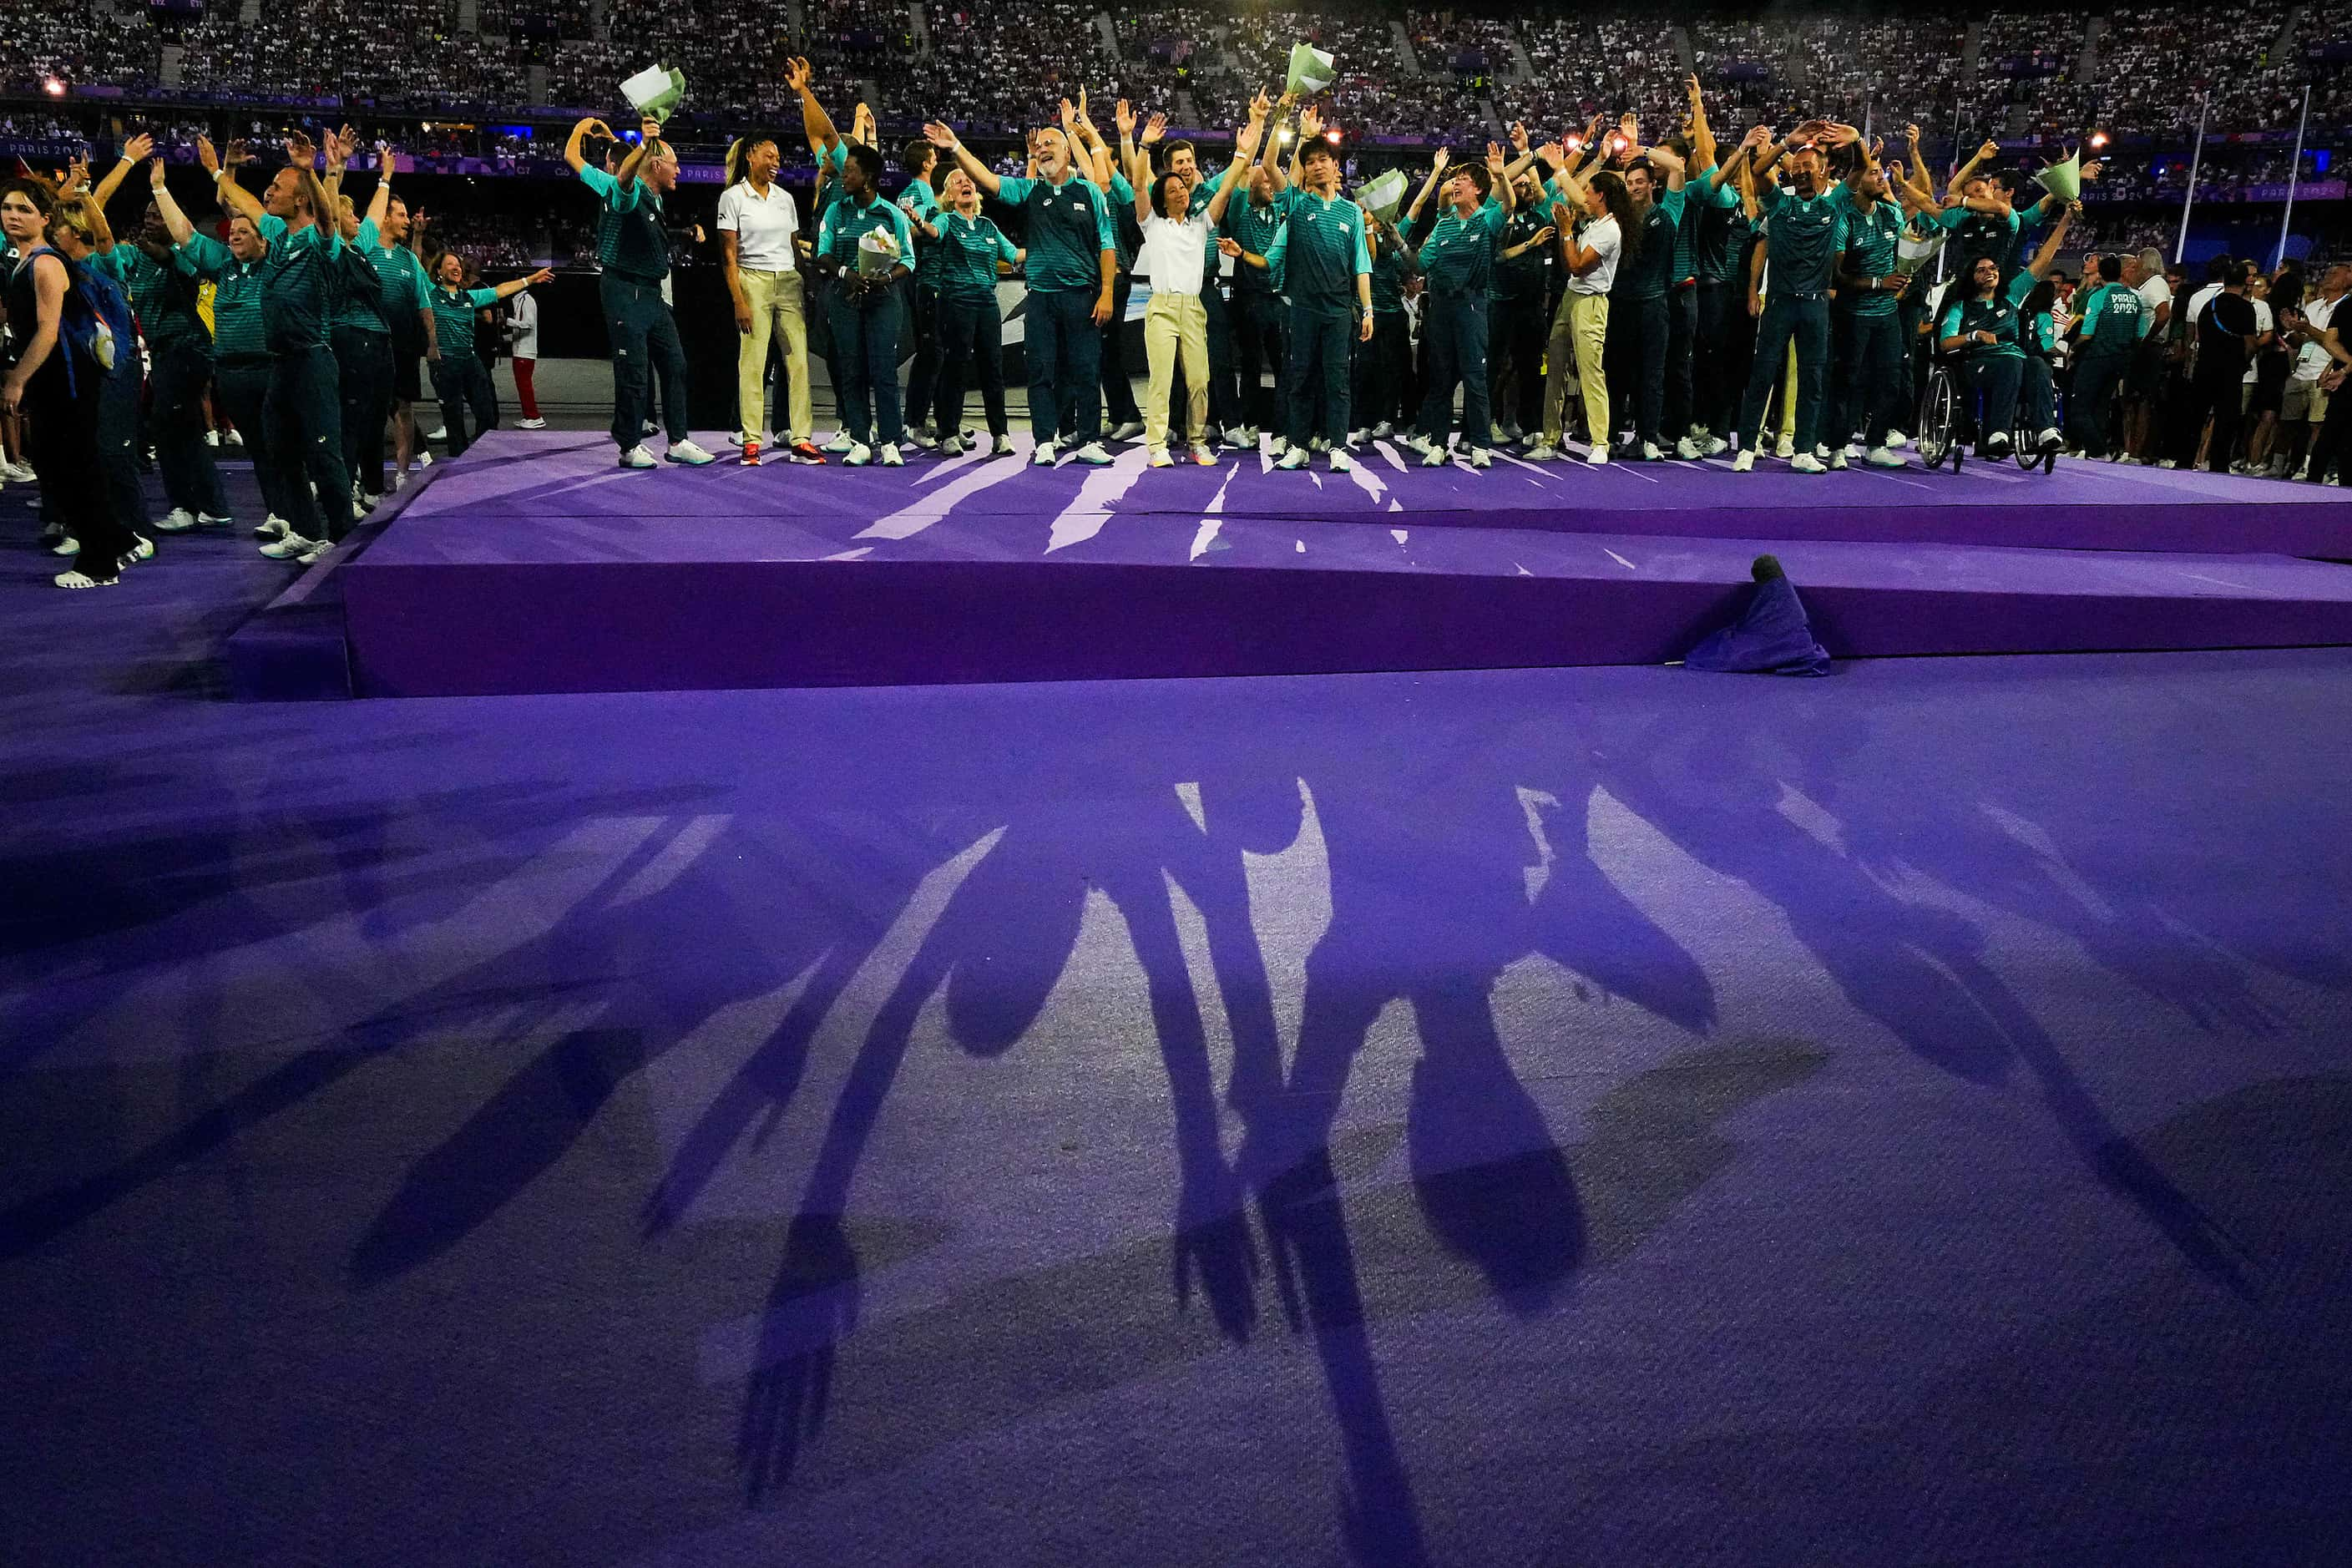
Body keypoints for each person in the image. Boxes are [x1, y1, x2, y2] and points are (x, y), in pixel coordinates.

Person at [195, 131, 354, 557]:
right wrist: (217, 169)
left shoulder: (321, 242)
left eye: (278, 187)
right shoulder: (277, 234)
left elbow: (328, 218)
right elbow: (241, 200)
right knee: (278, 450)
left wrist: (309, 171)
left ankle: (340, 540)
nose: (269, 191)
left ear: (299, 199)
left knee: (324, 457)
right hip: (279, 364)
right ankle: (305, 530)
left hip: (312, 361)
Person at [926, 118, 1117, 466]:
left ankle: (1089, 440)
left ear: (1067, 151)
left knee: (1086, 369)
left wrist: (1107, 293)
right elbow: (989, 179)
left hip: (1082, 295)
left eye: (1050, 144)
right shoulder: (1031, 191)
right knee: (1041, 371)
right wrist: (955, 147)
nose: (1043, 150)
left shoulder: (1089, 192)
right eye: (1039, 146)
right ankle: (1044, 440)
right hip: (1041, 297)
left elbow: (1106, 245)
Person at [84, 137, 234, 534]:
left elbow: (167, 255)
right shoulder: (132, 257)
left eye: (159, 215)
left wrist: (149, 233)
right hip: (165, 351)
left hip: (189, 348)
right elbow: (105, 248)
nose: (152, 220)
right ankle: (211, 505)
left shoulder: (182, 258)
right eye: (147, 215)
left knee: (167, 426)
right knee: (183, 429)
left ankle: (185, 504)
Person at [1, 177, 137, 588]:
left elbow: (46, 331)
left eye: (24, 209)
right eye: (7, 207)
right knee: (60, 466)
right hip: (54, 379)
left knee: (72, 470)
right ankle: (116, 540)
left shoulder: (44, 263)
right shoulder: (23, 262)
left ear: (45, 218)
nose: (13, 216)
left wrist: (16, 381)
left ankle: (99, 565)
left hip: (66, 381)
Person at [566, 114, 712, 469]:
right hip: (624, 289)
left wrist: (605, 137)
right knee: (633, 372)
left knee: (675, 365)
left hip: (651, 293)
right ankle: (630, 446)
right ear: (658, 164)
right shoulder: (623, 191)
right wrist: (643, 143)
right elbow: (626, 176)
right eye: (675, 165)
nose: (680, 171)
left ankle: (678, 441)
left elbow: (577, 158)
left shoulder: (651, 191)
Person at [1122, 100, 1252, 466]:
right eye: (1174, 189)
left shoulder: (1201, 226)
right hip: (1162, 307)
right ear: (1164, 197)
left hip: (1194, 308)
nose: (1182, 191)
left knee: (1199, 379)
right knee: (1161, 380)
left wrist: (1243, 153)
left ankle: (1197, 442)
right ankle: (1157, 446)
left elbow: (1225, 191)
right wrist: (1143, 145)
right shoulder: (1152, 223)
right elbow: (1137, 184)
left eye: (1185, 187)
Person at [1731, 122, 1860, 473]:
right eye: (1797, 165)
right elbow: (1758, 170)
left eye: (1809, 166)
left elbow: (1860, 169)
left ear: (1823, 170)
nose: (1802, 171)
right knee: (1763, 374)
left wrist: (1857, 141)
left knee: (1813, 378)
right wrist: (1788, 142)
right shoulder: (1778, 204)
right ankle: (1745, 447)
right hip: (1780, 302)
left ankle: (1803, 449)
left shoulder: (1833, 205)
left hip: (1816, 304)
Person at [1264, 120, 1372, 472]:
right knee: (1301, 377)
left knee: (1338, 380)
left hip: (1340, 309)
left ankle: (1338, 446)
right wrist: (1290, 127)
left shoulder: (1352, 212)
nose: (1317, 165)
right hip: (1304, 308)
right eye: (1310, 161)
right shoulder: (1295, 204)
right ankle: (1297, 445)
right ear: (1305, 169)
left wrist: (1367, 310)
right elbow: (1268, 167)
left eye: (1324, 159)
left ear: (1336, 166)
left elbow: (1361, 265)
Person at [1935, 202, 2077, 458]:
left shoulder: (2010, 296)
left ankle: (2046, 429)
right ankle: (1998, 432)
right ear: (1972, 278)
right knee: (2013, 362)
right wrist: (1974, 336)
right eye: (1982, 270)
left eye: (1993, 269)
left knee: (2037, 363)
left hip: (2016, 364)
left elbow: (2043, 259)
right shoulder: (1960, 307)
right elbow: (1946, 343)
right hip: (1979, 366)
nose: (1990, 272)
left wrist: (2066, 219)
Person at [1406, 143, 1515, 468]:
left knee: (1475, 378)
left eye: (1463, 179)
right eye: (1455, 179)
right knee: (1439, 379)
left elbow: (1508, 205)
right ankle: (1439, 443)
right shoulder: (1444, 224)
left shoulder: (1486, 220)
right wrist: (1398, 246)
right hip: (1440, 308)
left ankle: (1480, 444)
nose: (1456, 183)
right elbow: (1421, 265)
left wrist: (1500, 175)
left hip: (1471, 306)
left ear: (1478, 189)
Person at [718, 128, 819, 464]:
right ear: (750, 156)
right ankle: (751, 441)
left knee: (799, 363)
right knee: (753, 364)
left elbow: (793, 245)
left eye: (778, 158)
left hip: (788, 281)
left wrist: (806, 284)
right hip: (753, 281)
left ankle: (802, 438)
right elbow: (729, 255)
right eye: (769, 156)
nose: (776, 162)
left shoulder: (785, 199)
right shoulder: (733, 198)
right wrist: (739, 301)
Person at [815, 141, 918, 466]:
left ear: (869, 176)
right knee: (851, 369)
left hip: (884, 300)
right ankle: (860, 439)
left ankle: (890, 442)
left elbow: (909, 261)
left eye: (850, 171)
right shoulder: (836, 210)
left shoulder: (892, 215)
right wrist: (847, 274)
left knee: (883, 370)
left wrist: (884, 279)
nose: (844, 176)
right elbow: (823, 253)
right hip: (845, 299)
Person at [1535, 139, 1628, 464]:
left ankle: (1600, 441)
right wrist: (1559, 169)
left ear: (1601, 196)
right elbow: (1574, 196)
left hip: (1591, 302)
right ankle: (1550, 437)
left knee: (1591, 371)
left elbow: (1576, 264)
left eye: (1589, 191)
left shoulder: (1610, 230)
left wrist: (1565, 232)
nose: (1584, 195)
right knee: (1556, 368)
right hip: (1571, 296)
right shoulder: (1596, 221)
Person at [931, 165, 1020, 458]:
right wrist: (921, 223)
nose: (965, 183)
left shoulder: (988, 226)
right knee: (956, 368)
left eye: (968, 180)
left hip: (987, 304)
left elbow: (1013, 255)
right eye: (957, 182)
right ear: (949, 194)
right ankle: (948, 432)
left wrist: (1047, 248)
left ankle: (1000, 435)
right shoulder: (945, 220)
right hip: (956, 302)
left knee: (993, 370)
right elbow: (933, 232)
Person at [427, 251, 553, 457]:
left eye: (457, 264)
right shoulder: (430, 293)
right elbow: (417, 265)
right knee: (453, 416)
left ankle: (485, 454)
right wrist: (419, 235)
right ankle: (457, 461)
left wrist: (530, 280)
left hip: (470, 359)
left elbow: (500, 291)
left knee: (486, 411)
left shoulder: (469, 296)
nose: (456, 267)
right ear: (439, 271)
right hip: (445, 362)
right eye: (449, 264)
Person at [1830, 150, 1909, 468]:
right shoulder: (1844, 218)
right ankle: (1837, 445)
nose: (1881, 178)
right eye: (1873, 173)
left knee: (1891, 379)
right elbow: (1836, 276)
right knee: (1848, 380)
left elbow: (1903, 257)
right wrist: (1879, 283)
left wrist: (1902, 280)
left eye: (1882, 173)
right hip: (1854, 314)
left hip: (1887, 314)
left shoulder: (1892, 215)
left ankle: (1875, 444)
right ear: (1857, 180)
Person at [2175, 259, 2264, 474]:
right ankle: (2219, 465)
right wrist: (2243, 361)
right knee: (2226, 419)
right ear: (2245, 282)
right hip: (2230, 370)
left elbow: (2196, 335)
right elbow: (2251, 343)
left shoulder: (2209, 306)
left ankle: (2185, 460)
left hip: (2204, 366)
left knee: (2195, 417)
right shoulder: (2245, 308)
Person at [2063, 252, 2147, 458]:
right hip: (2121, 359)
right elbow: (2140, 334)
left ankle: (2098, 450)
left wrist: (2072, 348)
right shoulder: (2134, 299)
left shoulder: (2098, 297)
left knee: (2080, 410)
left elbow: (2086, 334)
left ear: (2100, 275)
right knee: (2101, 407)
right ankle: (2099, 454)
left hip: (2097, 357)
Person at [897, 135, 948, 449]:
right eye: (934, 156)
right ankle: (914, 422)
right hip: (923, 278)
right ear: (928, 162)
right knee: (932, 353)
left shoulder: (911, 192)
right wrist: (931, 228)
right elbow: (905, 231)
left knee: (936, 353)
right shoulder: (921, 192)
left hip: (924, 279)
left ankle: (935, 421)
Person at [507, 283, 541, 428]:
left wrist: (508, 321)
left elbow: (529, 323)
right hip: (521, 350)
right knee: (523, 386)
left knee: (525, 385)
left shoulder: (526, 300)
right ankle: (529, 415)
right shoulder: (520, 300)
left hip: (525, 352)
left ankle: (534, 416)